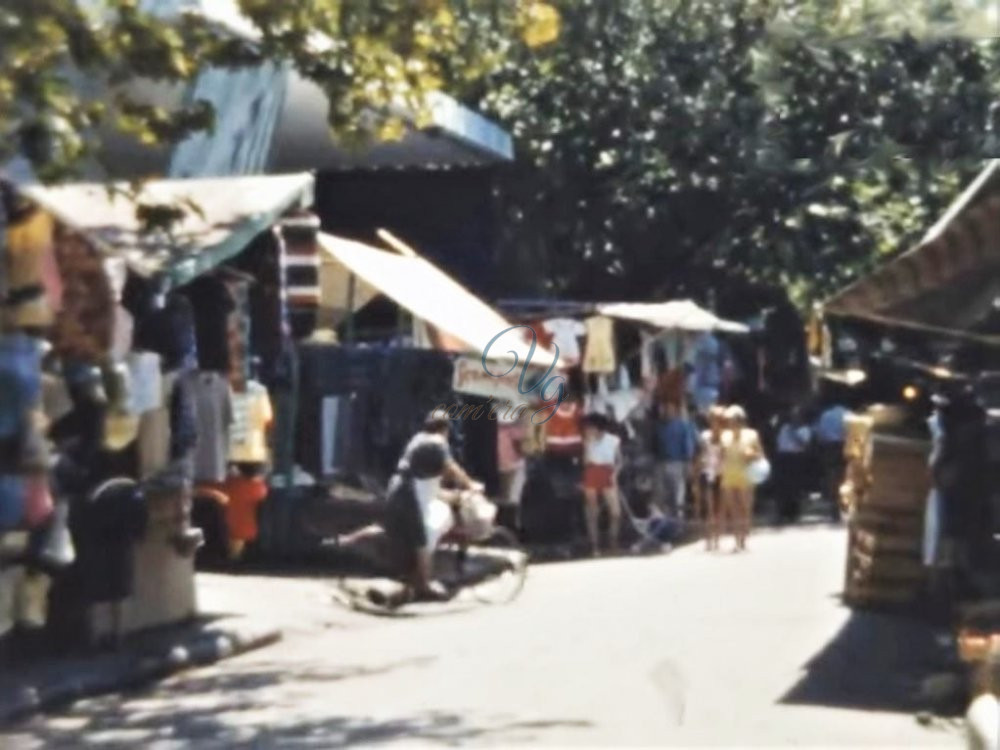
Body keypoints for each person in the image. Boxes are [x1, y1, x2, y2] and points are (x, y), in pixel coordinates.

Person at [719, 405, 763, 552]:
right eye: (730, 420)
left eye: (734, 420)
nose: (732, 423)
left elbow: (760, 455)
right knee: (733, 509)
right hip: (729, 474)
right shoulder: (724, 436)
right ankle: (736, 539)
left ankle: (744, 537)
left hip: (746, 475)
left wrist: (751, 455)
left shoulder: (751, 435)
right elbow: (721, 456)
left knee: (745, 507)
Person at [582, 413, 622, 556]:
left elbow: (619, 460)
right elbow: (585, 462)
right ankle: (595, 546)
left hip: (608, 471)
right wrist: (588, 445)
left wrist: (615, 473)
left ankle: (613, 541)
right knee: (593, 512)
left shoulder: (613, 440)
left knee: (615, 512)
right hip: (592, 471)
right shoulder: (587, 441)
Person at [654, 401, 698, 521]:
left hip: (677, 463)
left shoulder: (682, 425)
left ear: (674, 410)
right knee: (664, 494)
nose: (665, 412)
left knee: (678, 493)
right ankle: (666, 520)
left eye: (668, 409)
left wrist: (688, 463)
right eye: (663, 409)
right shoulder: (659, 426)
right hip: (661, 463)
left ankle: (679, 520)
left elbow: (688, 445)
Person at [774, 407, 812, 524]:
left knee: (795, 486)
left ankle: (794, 512)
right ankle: (782, 512)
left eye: (796, 416)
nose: (794, 419)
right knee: (783, 486)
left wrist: (793, 433)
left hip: (796, 458)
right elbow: (779, 442)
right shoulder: (784, 428)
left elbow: (804, 444)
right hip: (784, 457)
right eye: (792, 416)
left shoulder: (805, 430)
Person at [695, 406, 725, 550]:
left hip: (721, 473)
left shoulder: (726, 437)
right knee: (708, 507)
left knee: (719, 508)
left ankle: (717, 538)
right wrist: (696, 471)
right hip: (707, 472)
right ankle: (708, 539)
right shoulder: (704, 436)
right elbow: (699, 454)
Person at [816, 398, 850, 521]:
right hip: (844, 445)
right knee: (845, 475)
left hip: (829, 447)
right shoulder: (849, 414)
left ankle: (834, 505)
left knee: (831, 475)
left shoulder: (825, 415)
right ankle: (845, 502)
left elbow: (820, 432)